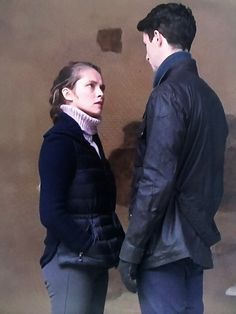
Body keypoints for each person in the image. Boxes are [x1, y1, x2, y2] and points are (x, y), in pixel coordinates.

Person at [118, 3, 228, 314]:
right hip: (193, 245)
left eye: (146, 46)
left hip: (164, 249)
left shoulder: (167, 94)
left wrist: (133, 247)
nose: (146, 57)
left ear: (157, 38)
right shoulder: (211, 99)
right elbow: (213, 182)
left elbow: (157, 179)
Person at [38, 61, 124, 314]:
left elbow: (99, 207)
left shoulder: (89, 139)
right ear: (68, 93)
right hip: (70, 263)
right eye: (91, 85)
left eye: (102, 87)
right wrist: (88, 245)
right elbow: (51, 213)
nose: (100, 93)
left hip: (93, 261)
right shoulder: (59, 141)